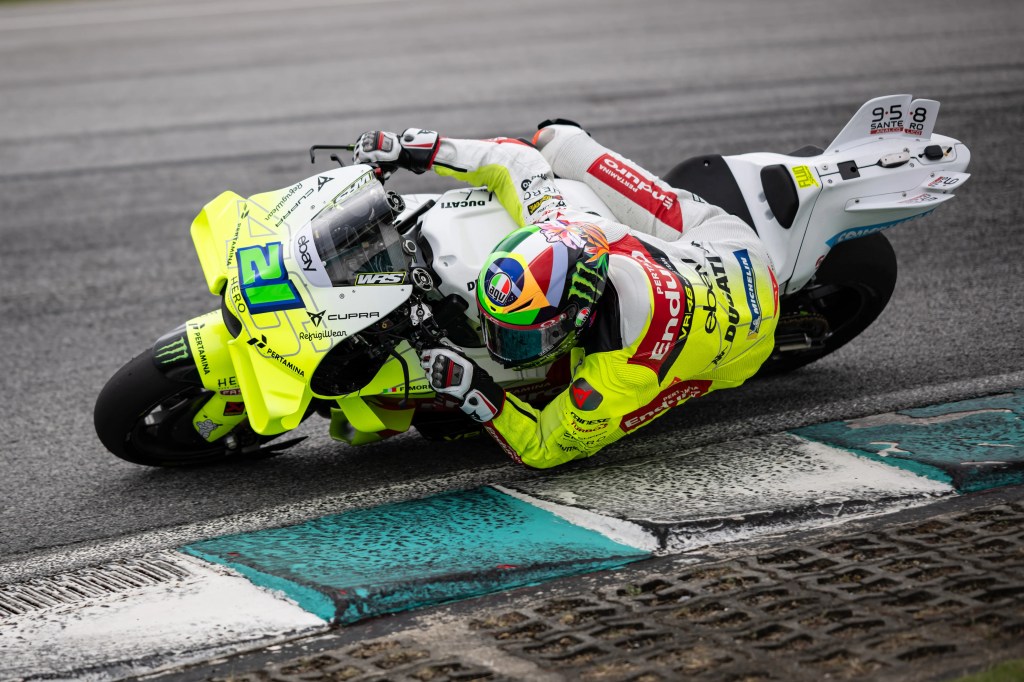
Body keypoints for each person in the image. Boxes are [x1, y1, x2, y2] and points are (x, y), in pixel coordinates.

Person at [353, 124, 779, 468]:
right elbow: (515, 160)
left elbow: (543, 449)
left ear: (579, 317)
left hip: (742, 294)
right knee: (556, 138)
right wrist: (421, 150)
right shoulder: (566, 226)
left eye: (522, 338)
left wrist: (477, 390)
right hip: (696, 254)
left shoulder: (620, 372)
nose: (500, 348)